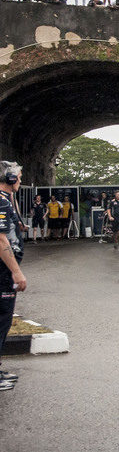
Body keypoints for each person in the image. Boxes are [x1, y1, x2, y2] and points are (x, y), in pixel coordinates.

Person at [0, 161, 26, 392]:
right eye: (17, 177)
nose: (20, 180)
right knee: (1, 319)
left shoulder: (6, 199)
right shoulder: (0, 200)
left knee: (3, 319)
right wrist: (16, 272)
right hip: (2, 270)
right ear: (9, 178)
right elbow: (0, 240)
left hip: (5, 268)